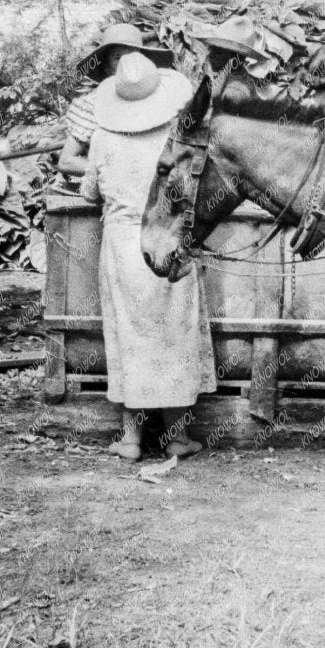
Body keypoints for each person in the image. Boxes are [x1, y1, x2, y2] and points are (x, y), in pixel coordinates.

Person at [77, 52, 216, 461]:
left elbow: (89, 193)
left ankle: (132, 439)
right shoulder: (177, 136)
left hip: (123, 244)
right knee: (175, 334)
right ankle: (176, 436)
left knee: (130, 337)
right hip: (168, 237)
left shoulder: (103, 138)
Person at [57, 22, 147, 185]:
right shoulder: (91, 103)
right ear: (106, 66)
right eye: (118, 57)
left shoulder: (153, 99)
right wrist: (115, 173)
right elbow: (66, 161)